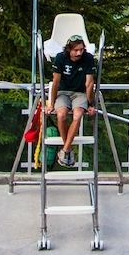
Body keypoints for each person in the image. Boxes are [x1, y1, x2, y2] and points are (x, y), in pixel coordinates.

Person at [45, 33, 101, 166]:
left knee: (77, 115)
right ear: (69, 49)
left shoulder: (88, 58)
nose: (79, 53)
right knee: (61, 115)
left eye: (81, 50)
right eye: (76, 50)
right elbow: (55, 82)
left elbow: (89, 83)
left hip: (79, 93)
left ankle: (65, 150)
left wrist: (91, 104)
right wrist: (51, 104)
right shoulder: (60, 58)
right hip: (63, 92)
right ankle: (68, 150)